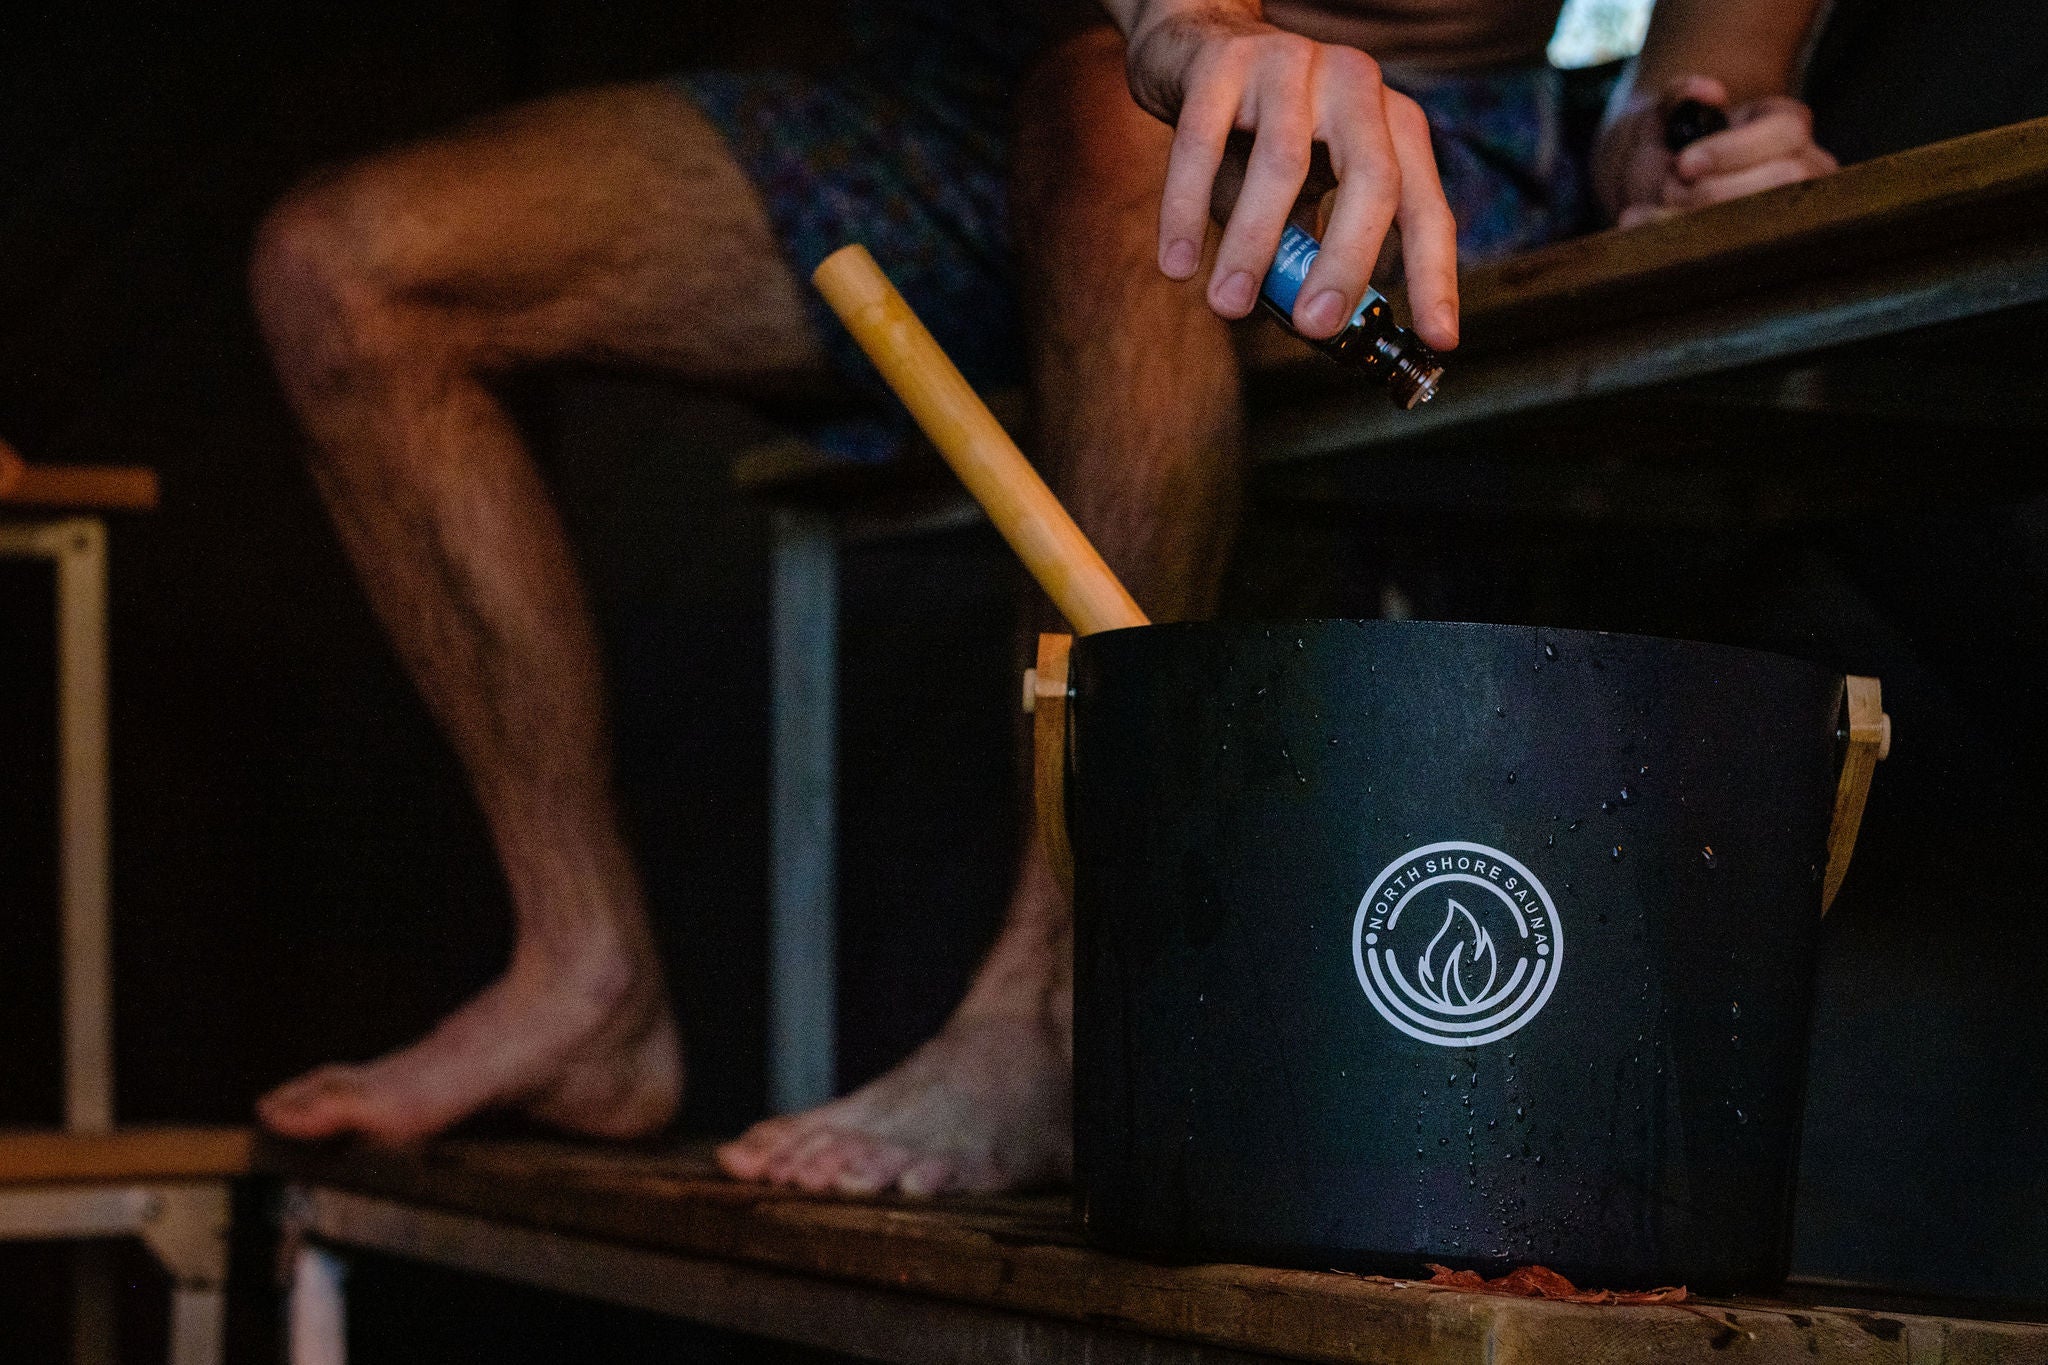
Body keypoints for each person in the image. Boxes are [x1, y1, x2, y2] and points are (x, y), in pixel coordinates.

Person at [250, 0, 1835, 1194]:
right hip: (1016, 90)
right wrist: (1187, 24)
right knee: (351, 265)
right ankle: (581, 966)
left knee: (1115, 119)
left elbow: (1695, 67)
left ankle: (1052, 1004)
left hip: (1426, 149)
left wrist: (1678, 140)